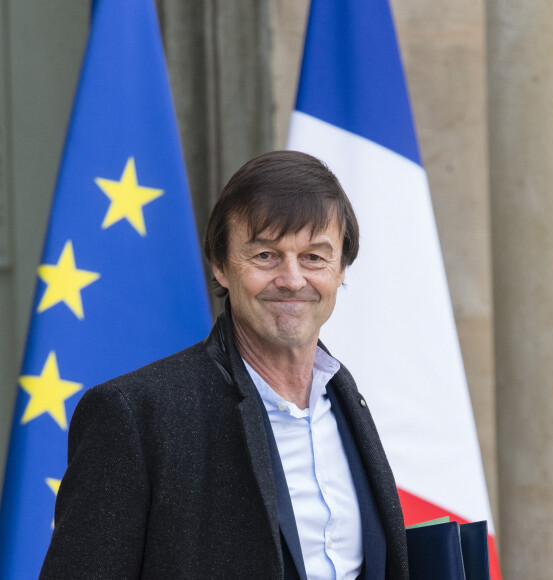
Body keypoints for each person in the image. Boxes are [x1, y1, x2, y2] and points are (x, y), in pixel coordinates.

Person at [40, 151, 409, 579]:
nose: (292, 279)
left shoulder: (349, 403)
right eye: (266, 255)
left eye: (314, 257)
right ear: (220, 266)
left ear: (341, 268)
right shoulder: (133, 416)